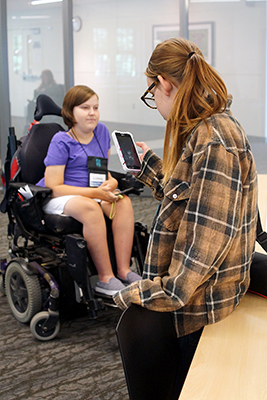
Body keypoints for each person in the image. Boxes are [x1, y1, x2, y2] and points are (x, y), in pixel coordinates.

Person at [113, 38, 258, 397]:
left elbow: (195, 261)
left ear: (164, 83)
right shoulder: (210, 129)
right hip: (200, 298)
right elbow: (192, 199)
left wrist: (133, 293)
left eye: (152, 94)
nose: (156, 105)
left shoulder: (214, 142)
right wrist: (149, 169)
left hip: (199, 309)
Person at [37, 85, 141, 296]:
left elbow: (104, 172)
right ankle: (105, 278)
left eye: (95, 107)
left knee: (123, 202)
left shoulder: (101, 131)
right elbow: (54, 186)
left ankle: (123, 271)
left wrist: (111, 184)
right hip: (60, 196)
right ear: (70, 112)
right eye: (85, 108)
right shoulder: (61, 141)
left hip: (93, 191)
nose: (92, 112)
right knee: (90, 209)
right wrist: (96, 194)